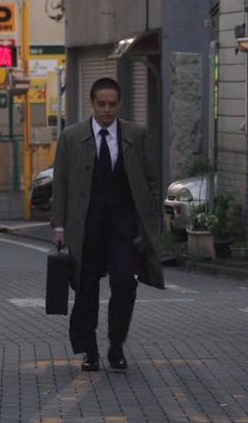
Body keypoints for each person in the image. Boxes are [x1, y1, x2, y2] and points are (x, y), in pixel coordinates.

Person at [51, 77, 165, 372]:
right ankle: (89, 350)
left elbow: (152, 180)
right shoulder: (72, 137)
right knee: (86, 289)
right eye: (101, 104)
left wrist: (149, 219)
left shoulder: (136, 135)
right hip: (86, 226)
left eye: (112, 104)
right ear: (92, 103)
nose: (106, 110)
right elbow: (60, 184)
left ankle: (116, 345)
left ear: (120, 104)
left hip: (123, 227)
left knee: (125, 284)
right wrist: (59, 227)